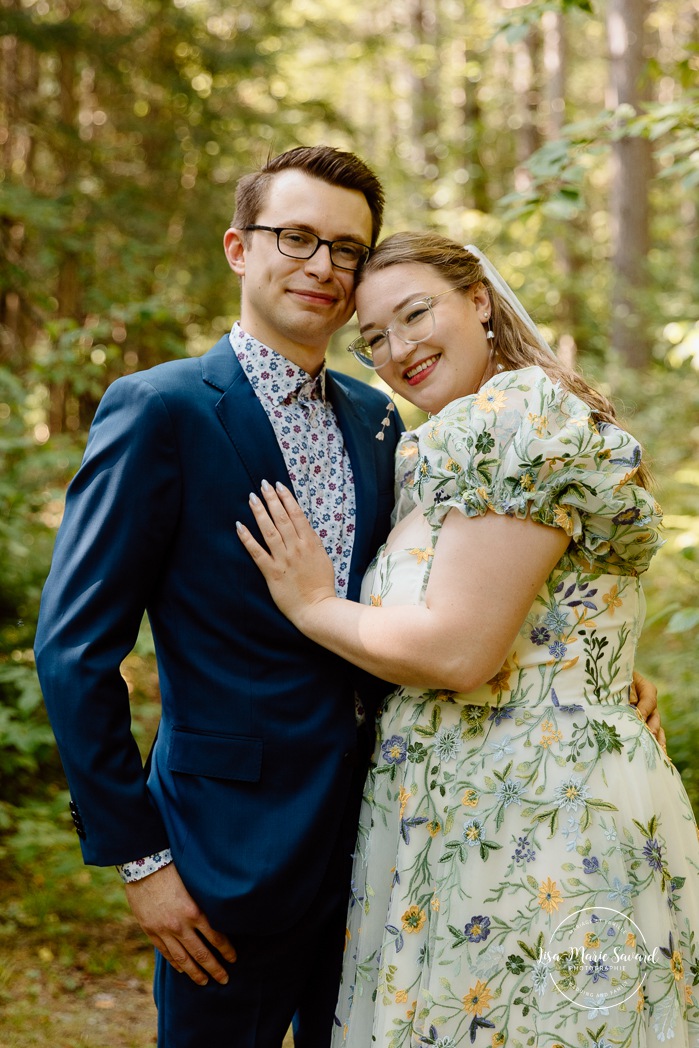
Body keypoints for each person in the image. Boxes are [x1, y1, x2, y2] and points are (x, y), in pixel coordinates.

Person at [238, 233, 699, 1047]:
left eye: (416, 314)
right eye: (373, 338)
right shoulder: (452, 443)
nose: (398, 349)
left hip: (528, 812)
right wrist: (602, 673)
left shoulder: (508, 419)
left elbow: (458, 653)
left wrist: (312, 606)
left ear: (478, 300)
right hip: (471, 806)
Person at [33, 146, 403, 1048]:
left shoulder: (380, 419)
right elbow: (73, 652)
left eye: (346, 250)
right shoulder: (159, 410)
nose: (322, 266)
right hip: (224, 854)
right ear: (240, 248)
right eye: (296, 237)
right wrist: (141, 859)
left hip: (384, 850)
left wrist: (580, 665)